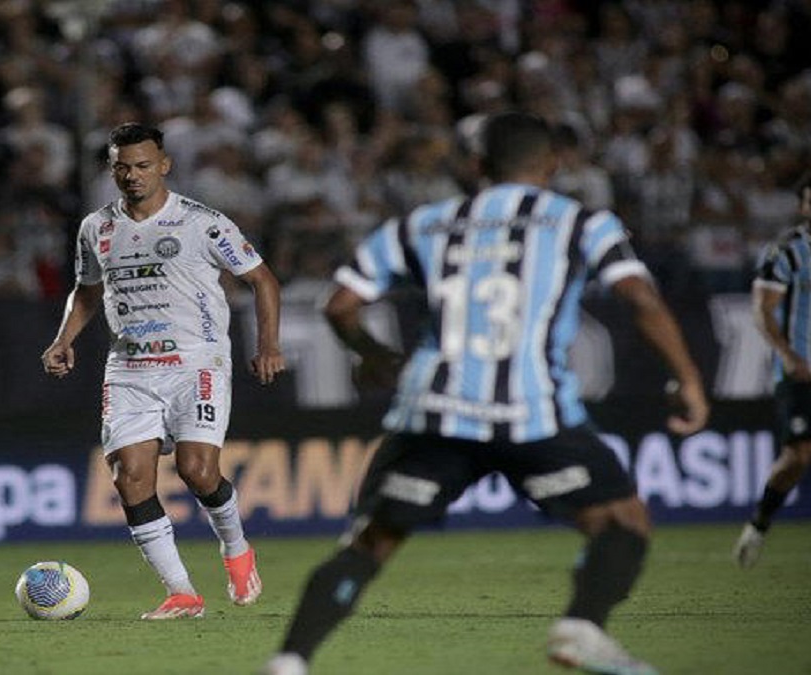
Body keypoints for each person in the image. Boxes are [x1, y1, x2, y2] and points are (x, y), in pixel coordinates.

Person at [263, 111, 710, 675]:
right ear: (554, 164)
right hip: (534, 415)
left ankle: (289, 661)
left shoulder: (422, 224)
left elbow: (340, 305)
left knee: (369, 544)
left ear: (476, 167)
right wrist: (688, 377)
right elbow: (641, 299)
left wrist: (374, 356)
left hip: (433, 411)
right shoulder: (582, 222)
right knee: (622, 522)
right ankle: (582, 625)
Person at [41, 122, 285, 619]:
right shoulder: (97, 227)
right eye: (123, 167)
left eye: (143, 165)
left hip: (196, 362)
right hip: (129, 369)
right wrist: (64, 339)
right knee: (130, 479)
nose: (133, 175)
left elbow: (262, 280)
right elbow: (88, 290)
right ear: (112, 170)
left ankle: (236, 548)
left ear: (165, 165)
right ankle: (182, 593)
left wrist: (268, 346)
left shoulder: (202, 222)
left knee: (197, 472)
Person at [733, 170, 811, 570]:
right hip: (801, 372)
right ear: (802, 206)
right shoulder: (785, 251)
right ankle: (759, 522)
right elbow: (762, 311)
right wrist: (788, 355)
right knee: (801, 453)